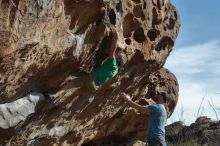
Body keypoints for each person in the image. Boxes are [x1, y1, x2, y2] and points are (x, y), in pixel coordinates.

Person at [51, 28, 127, 98]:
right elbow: (108, 82)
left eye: (118, 54)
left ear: (118, 58)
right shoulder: (116, 71)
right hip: (95, 86)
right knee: (77, 93)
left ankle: (55, 95)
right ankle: (62, 105)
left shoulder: (113, 62)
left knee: (71, 83)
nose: (117, 54)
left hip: (91, 79)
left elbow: (112, 49)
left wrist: (115, 37)